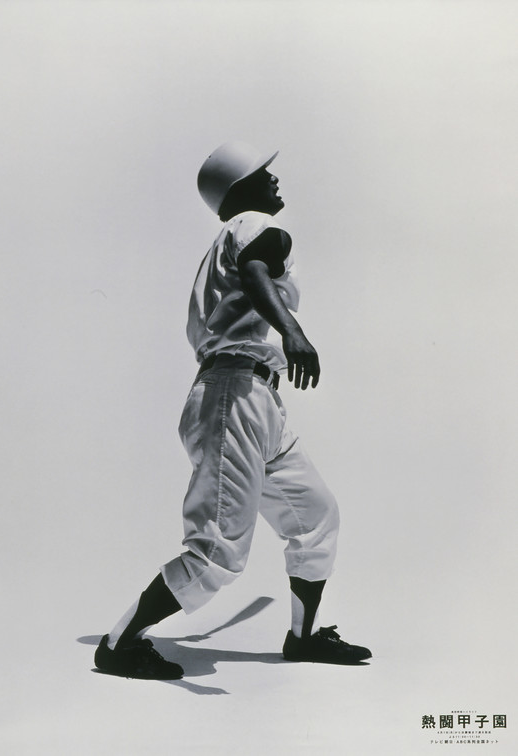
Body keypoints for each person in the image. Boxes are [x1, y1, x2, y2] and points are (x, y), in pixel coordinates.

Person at [94, 141, 371, 680]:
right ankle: (119, 644)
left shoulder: (228, 238)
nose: (274, 179)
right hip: (233, 399)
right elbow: (255, 269)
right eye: (263, 173)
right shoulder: (255, 226)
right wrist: (293, 331)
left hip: (254, 398)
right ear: (241, 188)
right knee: (217, 551)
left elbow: (248, 272)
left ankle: (304, 637)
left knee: (316, 518)